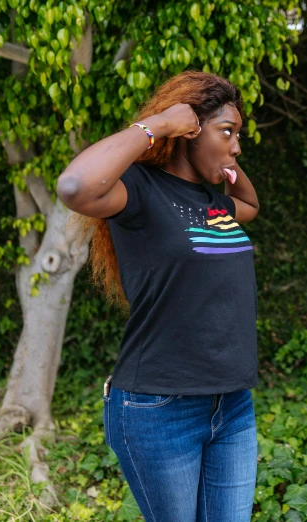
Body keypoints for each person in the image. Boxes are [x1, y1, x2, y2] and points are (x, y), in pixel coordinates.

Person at [57, 71, 260, 522]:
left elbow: (250, 205)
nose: (237, 146)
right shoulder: (141, 192)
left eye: (238, 135)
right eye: (228, 132)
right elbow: (74, 187)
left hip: (232, 404)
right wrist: (160, 124)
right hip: (159, 408)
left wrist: (224, 152)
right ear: (189, 131)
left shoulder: (213, 201)